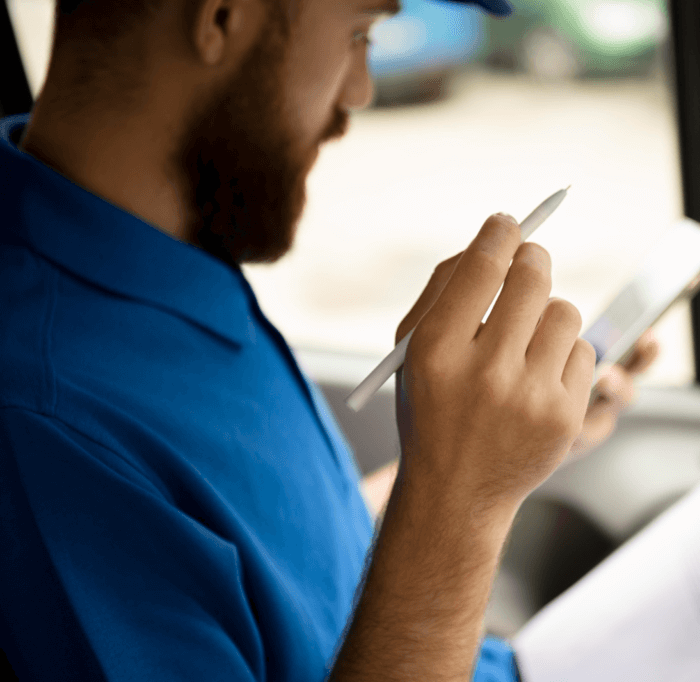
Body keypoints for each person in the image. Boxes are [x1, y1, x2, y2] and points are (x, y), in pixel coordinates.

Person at [0, 0, 660, 680]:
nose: (360, 93)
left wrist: (484, 454)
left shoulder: (163, 263)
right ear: (222, 17)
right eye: (359, 34)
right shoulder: (47, 421)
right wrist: (461, 504)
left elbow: (299, 554)